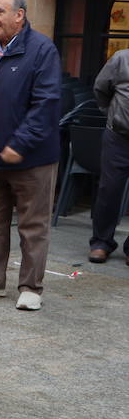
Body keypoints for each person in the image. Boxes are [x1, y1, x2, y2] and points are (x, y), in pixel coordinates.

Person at [0, 0, 61, 311]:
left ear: (19, 15)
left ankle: (31, 287)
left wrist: (19, 144)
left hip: (31, 159)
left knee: (33, 226)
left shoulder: (42, 50)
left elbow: (46, 105)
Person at [91, 48, 129, 263]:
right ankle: (101, 242)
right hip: (119, 137)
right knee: (109, 190)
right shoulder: (121, 58)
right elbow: (100, 88)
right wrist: (111, 114)